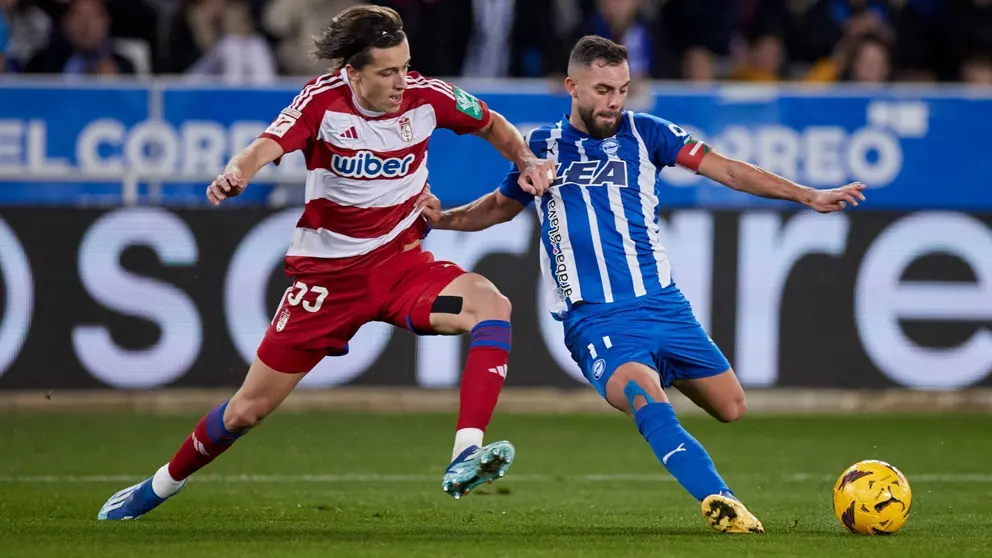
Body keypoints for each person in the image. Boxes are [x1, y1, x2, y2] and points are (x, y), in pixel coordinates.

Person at [97, 4, 555, 520]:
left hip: (403, 268)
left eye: (405, 67)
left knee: (491, 304)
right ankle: (160, 485)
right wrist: (237, 171)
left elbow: (493, 124)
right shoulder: (323, 101)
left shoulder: (429, 96)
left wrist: (526, 161)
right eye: (387, 72)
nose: (402, 81)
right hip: (328, 284)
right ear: (353, 73)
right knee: (248, 410)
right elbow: (267, 144)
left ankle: (464, 454)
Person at [419, 35, 867, 534]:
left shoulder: (647, 133)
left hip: (664, 305)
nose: (614, 101)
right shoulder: (539, 148)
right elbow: (499, 207)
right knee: (642, 392)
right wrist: (443, 221)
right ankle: (719, 498)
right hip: (595, 317)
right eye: (603, 89)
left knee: (731, 406)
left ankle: (655, 382)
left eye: (624, 89)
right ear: (572, 87)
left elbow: (729, 171)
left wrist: (808, 195)